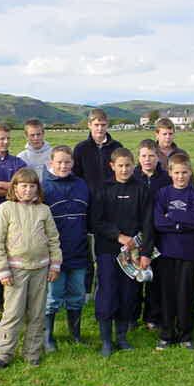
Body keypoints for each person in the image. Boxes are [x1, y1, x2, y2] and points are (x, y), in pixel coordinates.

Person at [0, 168, 62, 369]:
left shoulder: (43, 210)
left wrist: (55, 264)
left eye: (32, 186)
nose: (28, 190)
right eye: (24, 186)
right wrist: (2, 269)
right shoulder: (6, 209)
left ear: (37, 189)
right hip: (15, 271)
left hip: (40, 270)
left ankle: (32, 352)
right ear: (15, 188)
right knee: (13, 312)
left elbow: (53, 239)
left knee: (37, 313)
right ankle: (3, 352)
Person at [91, 147, 154, 357]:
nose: (125, 169)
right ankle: (106, 340)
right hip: (108, 251)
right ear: (112, 166)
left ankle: (122, 337)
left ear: (133, 165)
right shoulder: (102, 189)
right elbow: (96, 221)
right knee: (108, 292)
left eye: (128, 165)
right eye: (120, 166)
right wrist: (118, 236)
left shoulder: (142, 189)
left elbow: (148, 222)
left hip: (133, 253)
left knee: (128, 294)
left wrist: (145, 252)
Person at [154, 154, 194, 350]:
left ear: (190, 172)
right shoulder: (162, 194)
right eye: (176, 173)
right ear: (170, 173)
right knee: (167, 294)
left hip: (189, 252)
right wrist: (181, 221)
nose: (180, 176)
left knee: (187, 293)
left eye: (184, 172)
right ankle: (167, 334)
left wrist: (173, 218)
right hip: (166, 252)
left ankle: (186, 334)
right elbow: (158, 222)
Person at [41, 146, 90, 351]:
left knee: (77, 294)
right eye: (59, 162)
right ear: (51, 163)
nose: (63, 166)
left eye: (67, 162)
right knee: (53, 297)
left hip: (78, 250)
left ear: (73, 163)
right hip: (55, 254)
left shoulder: (81, 185)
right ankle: (47, 336)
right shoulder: (44, 187)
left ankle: (75, 334)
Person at [72, 108, 123, 298]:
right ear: (89, 125)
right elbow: (76, 177)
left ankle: (107, 285)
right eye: (96, 125)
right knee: (87, 249)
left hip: (112, 206)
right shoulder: (81, 149)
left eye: (103, 125)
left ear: (107, 125)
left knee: (108, 247)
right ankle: (87, 290)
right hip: (88, 206)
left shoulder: (116, 147)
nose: (100, 128)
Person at [0, 123, 27, 312]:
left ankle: (15, 301)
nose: (6, 142)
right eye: (2, 138)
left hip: (18, 218)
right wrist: (10, 186)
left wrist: (1, 184)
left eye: (8, 138)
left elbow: (24, 189)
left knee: (17, 259)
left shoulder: (18, 163)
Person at [132, 138, 171, 330]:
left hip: (160, 234)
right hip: (135, 234)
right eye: (144, 156)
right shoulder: (132, 177)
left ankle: (152, 316)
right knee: (135, 276)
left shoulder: (165, 179)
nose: (147, 160)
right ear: (138, 157)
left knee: (155, 278)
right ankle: (132, 316)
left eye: (152, 156)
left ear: (159, 157)